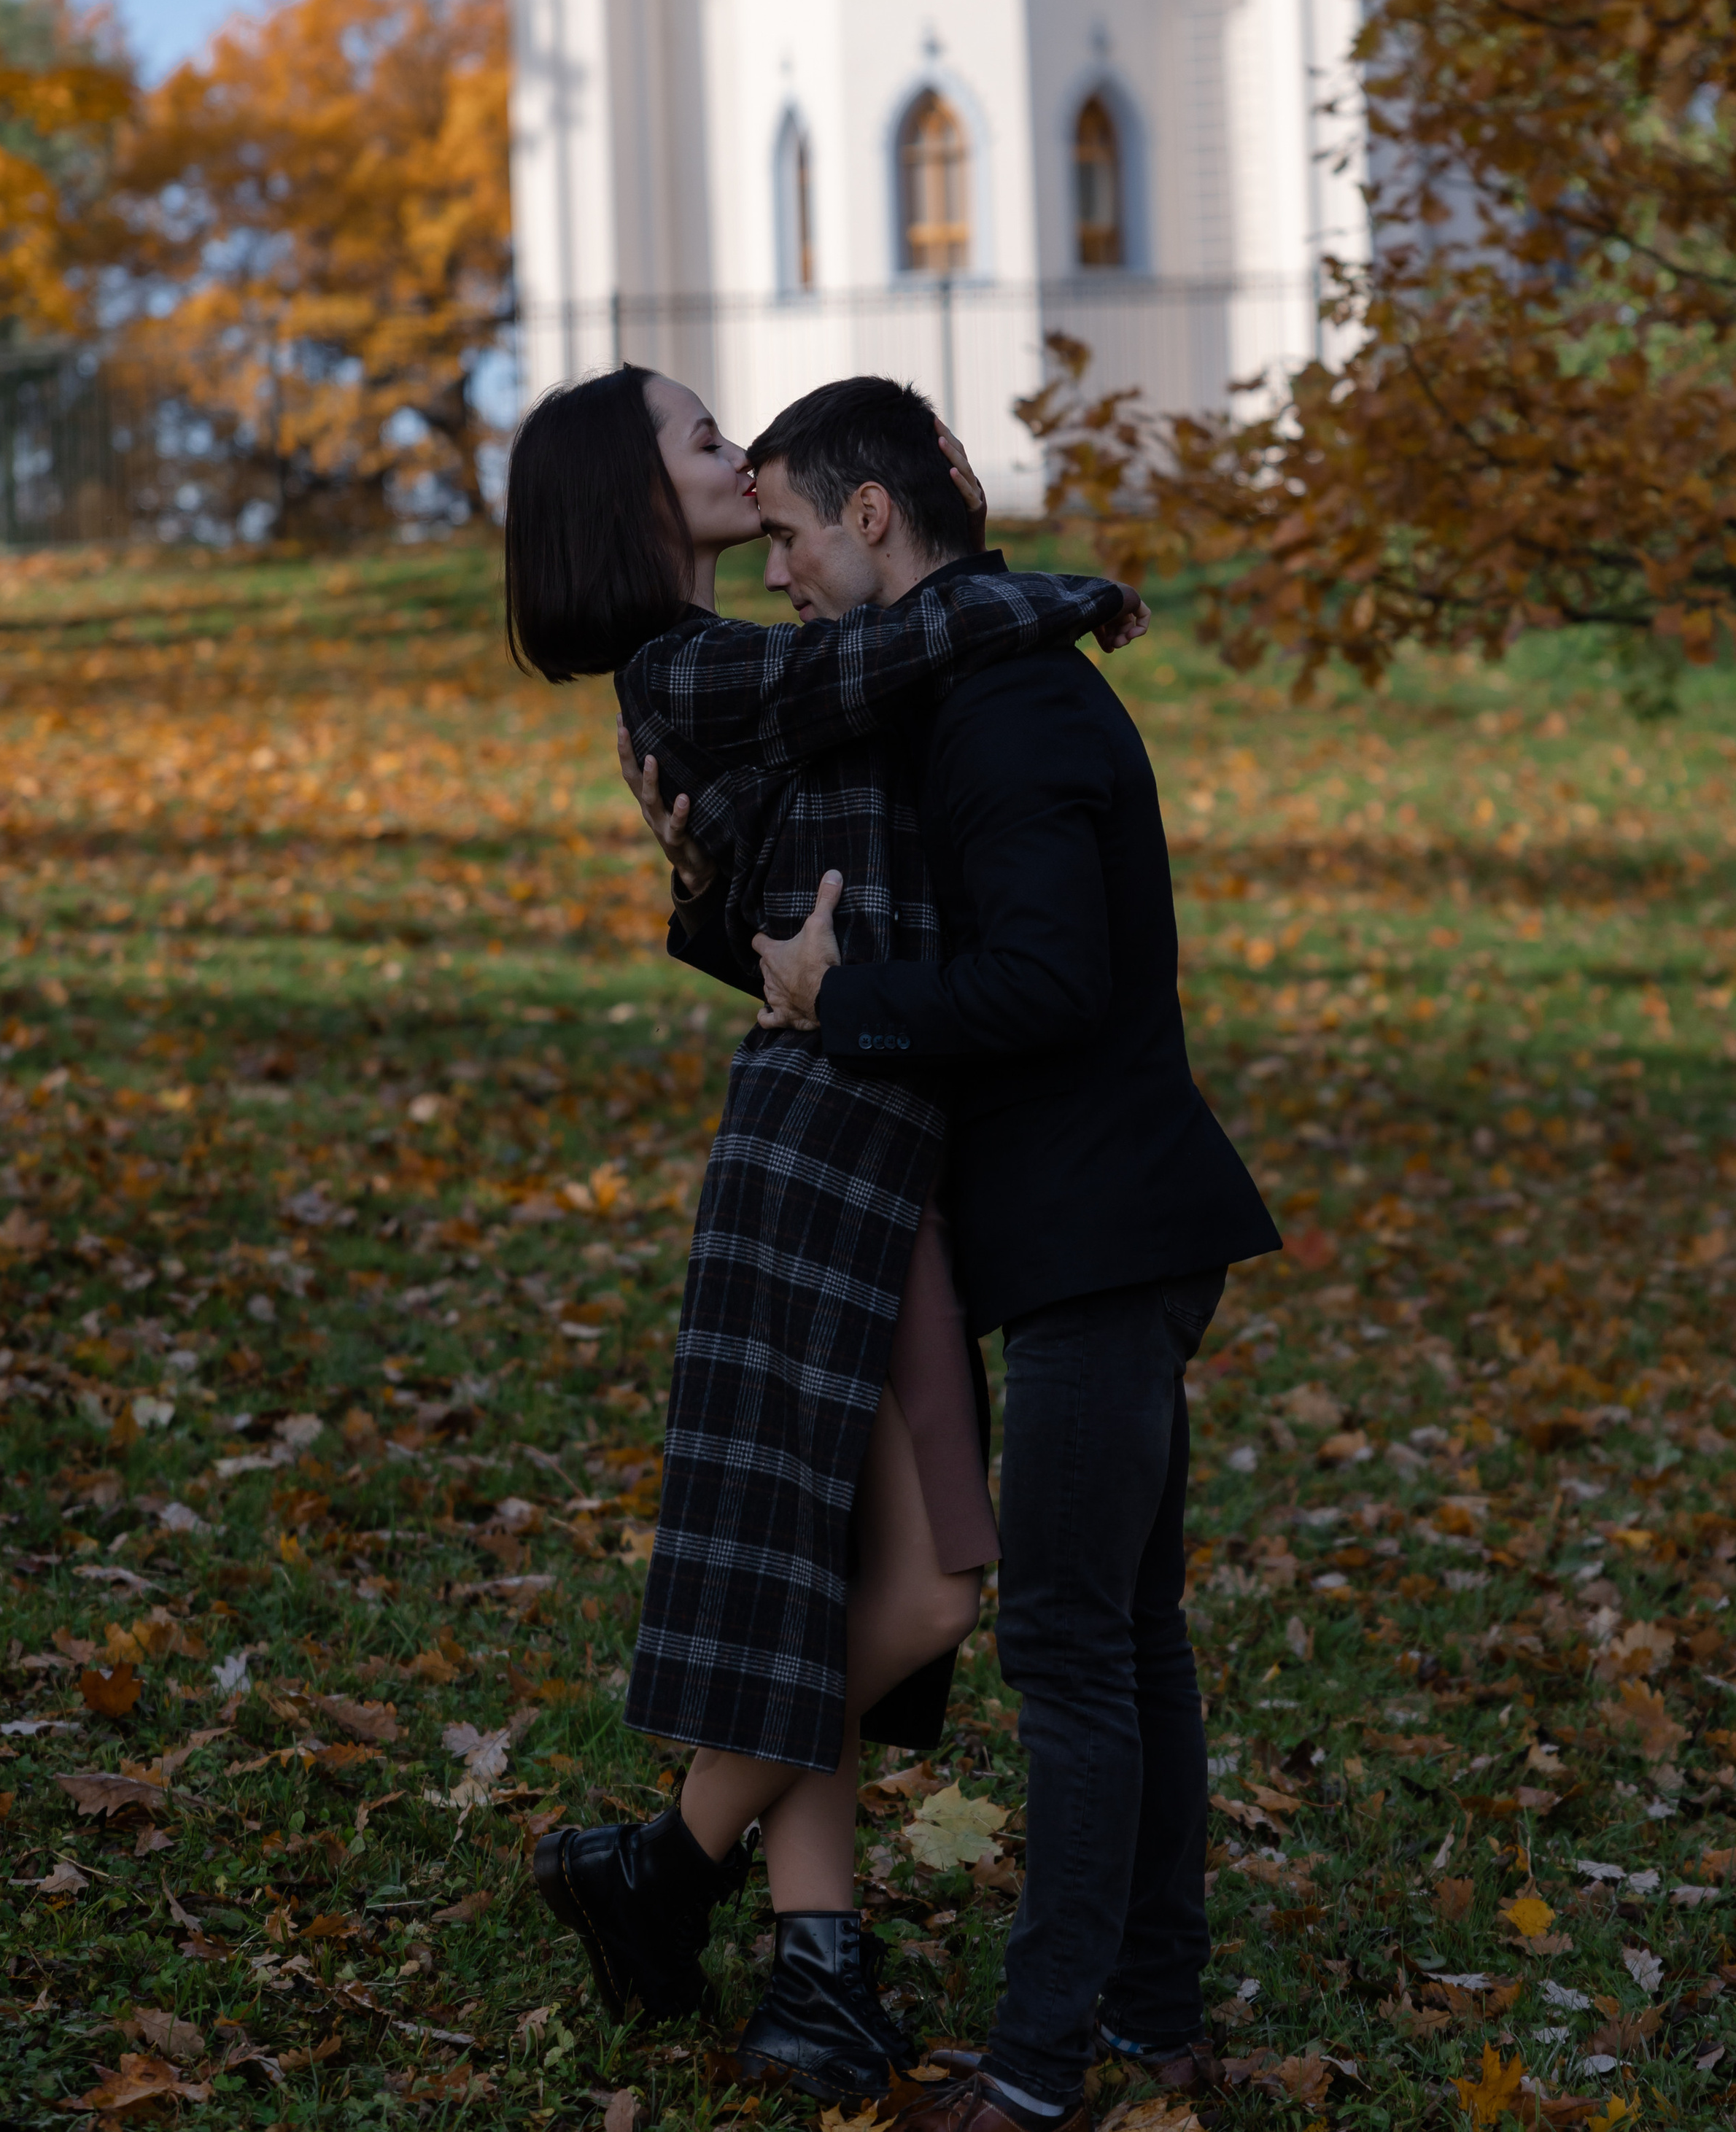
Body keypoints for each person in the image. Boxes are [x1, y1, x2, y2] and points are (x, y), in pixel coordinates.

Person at [502, 365, 1141, 2100]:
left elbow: (785, 911)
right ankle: (668, 1862)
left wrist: (709, 890)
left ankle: (813, 1967)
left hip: (871, 1134)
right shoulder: (685, 669)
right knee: (923, 1591)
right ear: (631, 498)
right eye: (704, 440)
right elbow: (870, 658)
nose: (739, 456)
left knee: (825, 1570)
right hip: (832, 1155)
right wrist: (1054, 597)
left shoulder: (728, 676)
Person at [748, 380, 1282, 2132]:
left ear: (871, 517)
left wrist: (845, 1002)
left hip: (1096, 1238)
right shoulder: (979, 684)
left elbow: (1045, 982)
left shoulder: (1011, 710)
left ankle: (1042, 2078)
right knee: (1126, 1639)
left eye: (786, 536)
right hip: (1100, 1227)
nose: (779, 576)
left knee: (1071, 1654)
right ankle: (1152, 2021)